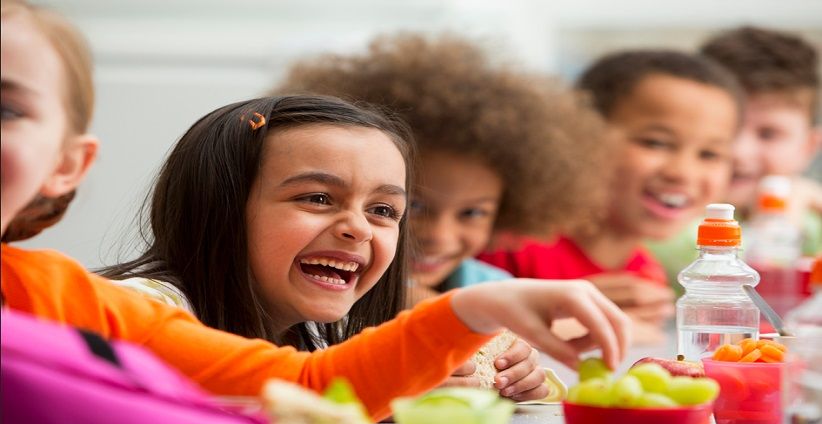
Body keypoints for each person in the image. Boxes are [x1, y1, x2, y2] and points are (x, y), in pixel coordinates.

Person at [1, 1, 630, 420]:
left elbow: (314, 385)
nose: (356, 227)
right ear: (221, 209)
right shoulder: (142, 307)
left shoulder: (322, 331)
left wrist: (522, 381)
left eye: (384, 210)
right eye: (317, 198)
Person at [276, 34, 607, 398]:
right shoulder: (317, 286)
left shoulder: (489, 285)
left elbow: (516, 364)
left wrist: (518, 375)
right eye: (414, 207)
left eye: (473, 213)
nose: (440, 236)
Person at [479, 49, 743, 328]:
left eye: (709, 154)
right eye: (655, 143)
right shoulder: (507, 243)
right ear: (580, 135)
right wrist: (561, 318)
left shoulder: (645, 274)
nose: (682, 173)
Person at [649, 27, 822, 284]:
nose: (740, 152)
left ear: (808, 147)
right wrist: (785, 218)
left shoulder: (812, 221)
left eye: (768, 134)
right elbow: (720, 269)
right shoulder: (660, 217)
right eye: (727, 129)